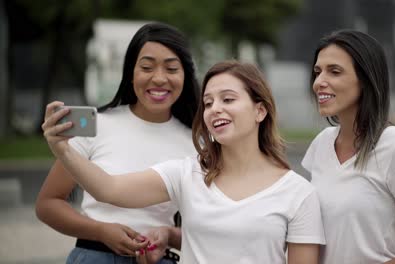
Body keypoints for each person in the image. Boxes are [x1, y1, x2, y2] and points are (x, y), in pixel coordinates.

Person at [42, 60, 326, 264]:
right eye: (209, 102)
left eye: (228, 99)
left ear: (260, 111)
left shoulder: (298, 194)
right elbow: (110, 189)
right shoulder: (186, 173)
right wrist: (63, 150)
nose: (216, 109)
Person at [36, 22, 200, 264]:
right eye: (146, 67)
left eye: (172, 69)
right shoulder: (98, 126)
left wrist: (168, 235)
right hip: (93, 257)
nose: (159, 78)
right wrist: (100, 231)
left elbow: (207, 230)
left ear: (185, 75)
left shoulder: (196, 143)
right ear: (131, 73)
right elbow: (47, 204)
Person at [301, 29, 395, 263]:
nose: (319, 82)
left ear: (366, 79)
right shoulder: (321, 143)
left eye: (334, 71)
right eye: (317, 72)